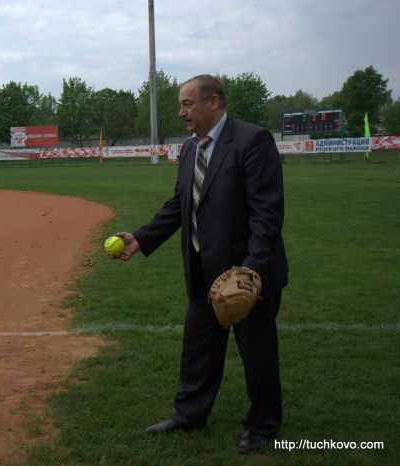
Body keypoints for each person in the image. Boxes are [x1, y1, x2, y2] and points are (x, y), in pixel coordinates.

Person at [113, 75, 288, 454]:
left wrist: (250, 274)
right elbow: (180, 204)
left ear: (213, 102)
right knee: (197, 350)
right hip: (202, 271)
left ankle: (262, 425)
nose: (181, 112)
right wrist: (141, 238)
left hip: (244, 276)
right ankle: (189, 414)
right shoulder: (190, 149)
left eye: (188, 104)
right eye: (181, 105)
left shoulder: (252, 141)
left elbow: (266, 215)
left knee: (257, 354)